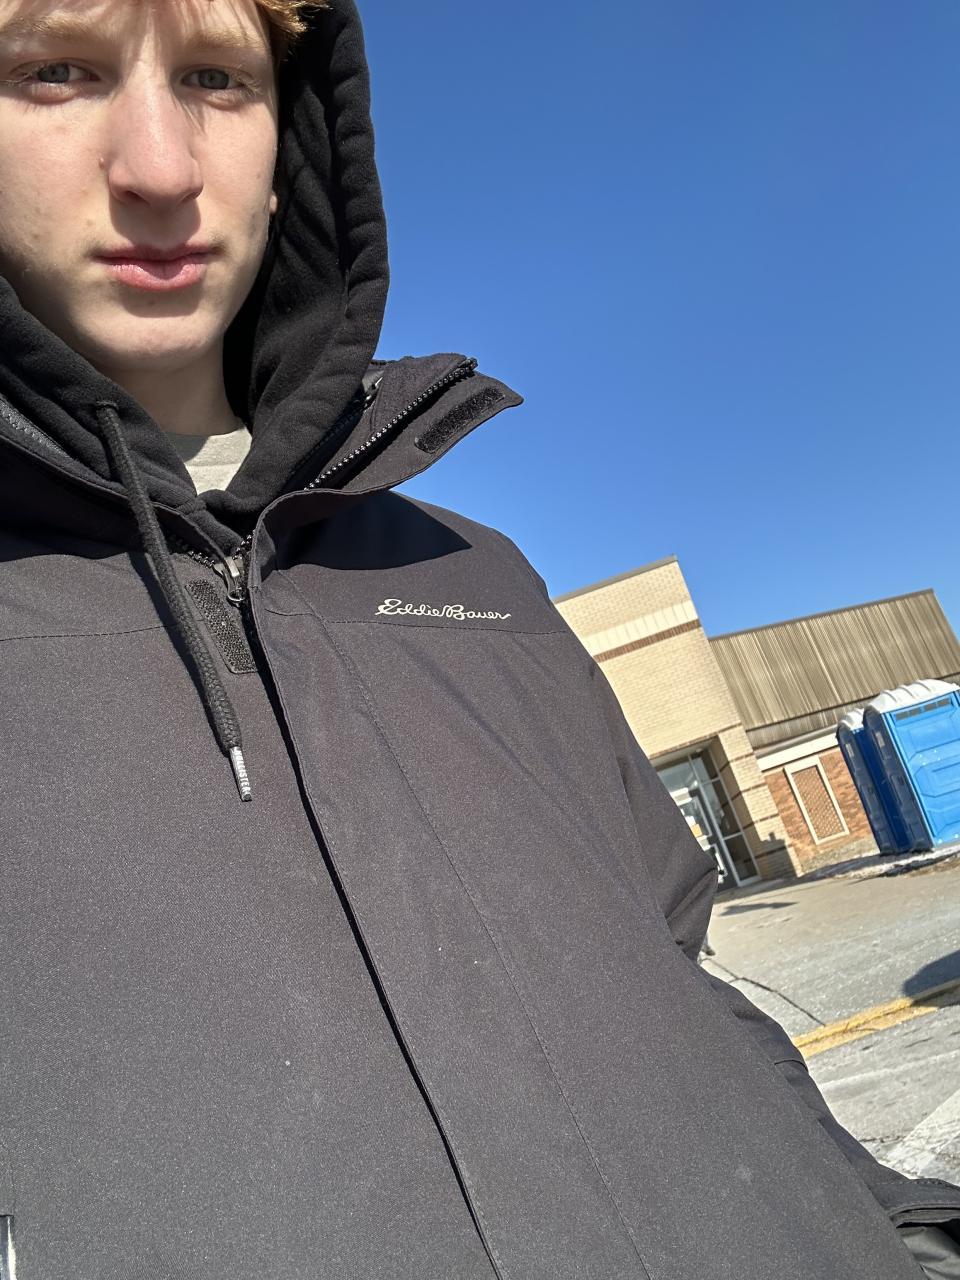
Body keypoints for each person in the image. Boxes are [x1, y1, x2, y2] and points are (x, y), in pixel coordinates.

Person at [0, 1, 957, 1276]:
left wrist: (891, 1225)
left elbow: (683, 975)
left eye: (218, 79)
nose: (163, 167)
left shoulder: (475, 572)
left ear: (294, 146)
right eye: (59, 71)